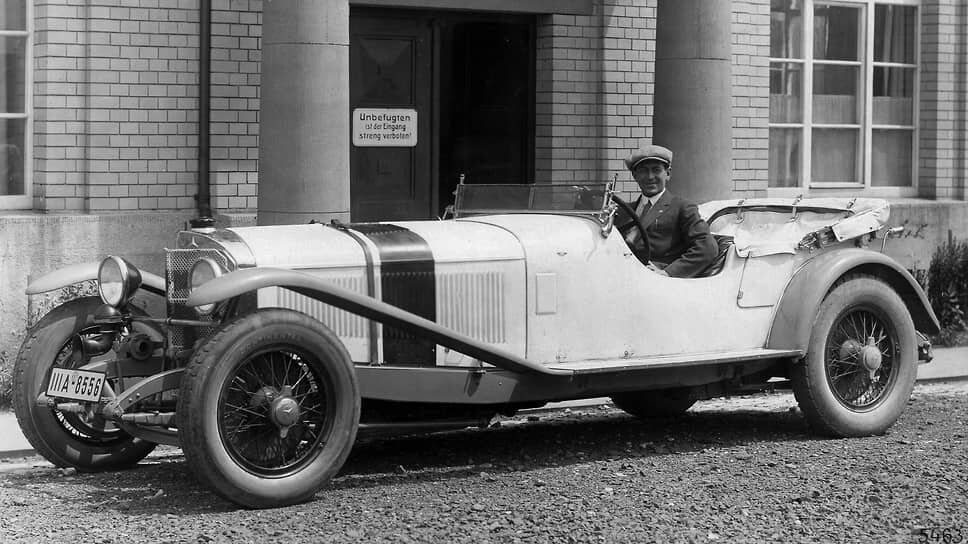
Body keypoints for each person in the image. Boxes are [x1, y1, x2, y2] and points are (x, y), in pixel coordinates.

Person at [615, 144, 718, 278]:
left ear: (668, 174)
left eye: (656, 170)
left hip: (657, 281)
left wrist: (668, 273)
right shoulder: (624, 211)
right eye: (643, 171)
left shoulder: (682, 208)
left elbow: (707, 248)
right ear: (635, 176)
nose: (650, 177)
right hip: (622, 276)